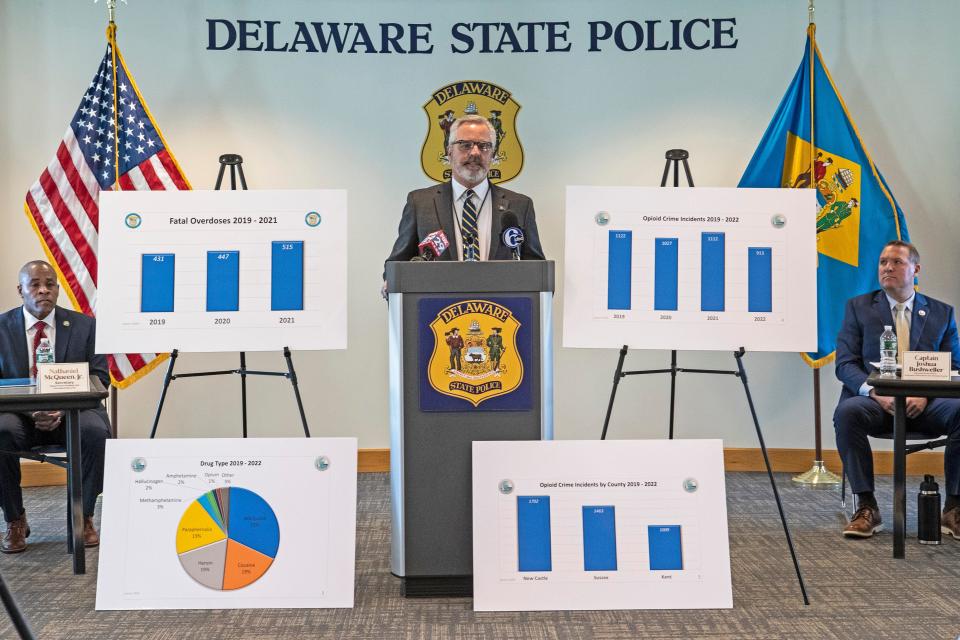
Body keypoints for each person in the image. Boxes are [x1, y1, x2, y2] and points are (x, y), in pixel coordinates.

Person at [834, 241, 960, 539]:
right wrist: (874, 391)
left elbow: (954, 365)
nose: (887, 268)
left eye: (896, 262)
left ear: (915, 270)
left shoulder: (942, 313)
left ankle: (953, 507)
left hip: (926, 404)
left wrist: (924, 394)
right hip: (877, 403)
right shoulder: (859, 307)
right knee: (847, 412)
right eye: (882, 262)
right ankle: (867, 506)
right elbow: (845, 363)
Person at [0, 261, 111, 553]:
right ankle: (13, 519)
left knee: (95, 431)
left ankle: (82, 516)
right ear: (20, 290)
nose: (43, 291)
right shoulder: (1, 328)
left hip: (72, 415)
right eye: (35, 285)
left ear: (58, 289)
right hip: (20, 418)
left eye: (49, 284)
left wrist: (61, 409)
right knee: (1, 430)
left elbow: (100, 378)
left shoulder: (85, 326)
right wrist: (32, 410)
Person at [384, 114, 546, 275]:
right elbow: (397, 267)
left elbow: (538, 273)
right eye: (465, 145)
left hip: (499, 302)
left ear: (493, 155)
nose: (475, 153)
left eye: (484, 146)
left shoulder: (520, 206)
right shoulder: (420, 203)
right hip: (440, 301)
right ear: (449, 152)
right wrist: (390, 282)